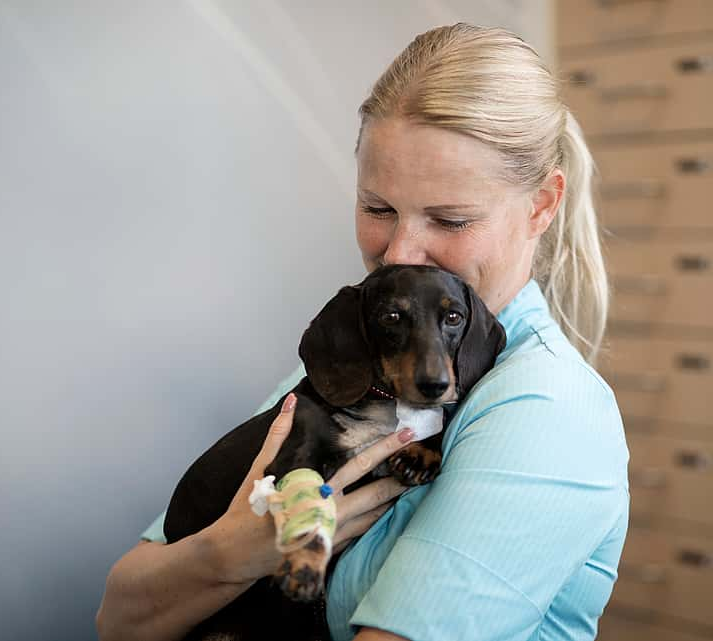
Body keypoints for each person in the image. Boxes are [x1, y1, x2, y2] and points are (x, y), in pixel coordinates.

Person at [97, 23, 629, 641]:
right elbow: (119, 614)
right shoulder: (356, 364)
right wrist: (230, 555)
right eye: (378, 208)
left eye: (449, 219)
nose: (400, 251)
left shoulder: (545, 410)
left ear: (541, 205)